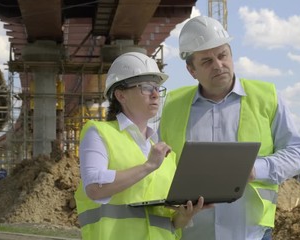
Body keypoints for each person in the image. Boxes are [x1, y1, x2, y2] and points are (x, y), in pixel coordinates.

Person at [159, 16, 300, 240]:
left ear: (231, 54)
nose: (218, 65)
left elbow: (297, 153)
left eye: (222, 55)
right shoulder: (171, 106)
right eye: (207, 61)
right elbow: (158, 166)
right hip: (190, 233)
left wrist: (255, 169)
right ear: (191, 70)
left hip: (251, 233)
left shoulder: (267, 97)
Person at [74, 52, 205, 240]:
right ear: (120, 95)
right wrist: (148, 166)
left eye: (157, 88)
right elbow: (94, 187)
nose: (155, 94)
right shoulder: (99, 132)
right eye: (145, 87)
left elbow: (170, 223)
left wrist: (184, 216)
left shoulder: (165, 156)